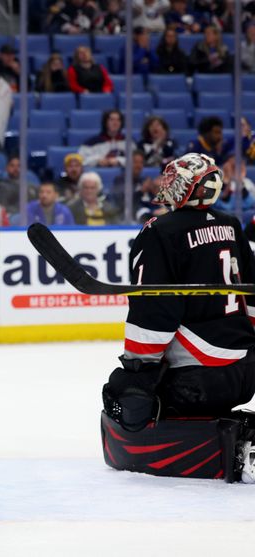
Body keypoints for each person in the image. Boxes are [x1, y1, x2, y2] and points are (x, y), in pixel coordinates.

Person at [101, 152, 255, 483]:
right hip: (246, 373)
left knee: (125, 393)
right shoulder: (231, 225)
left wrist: (137, 372)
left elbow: (154, 312)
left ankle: (216, 445)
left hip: (196, 382)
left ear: (186, 187)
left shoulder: (159, 232)